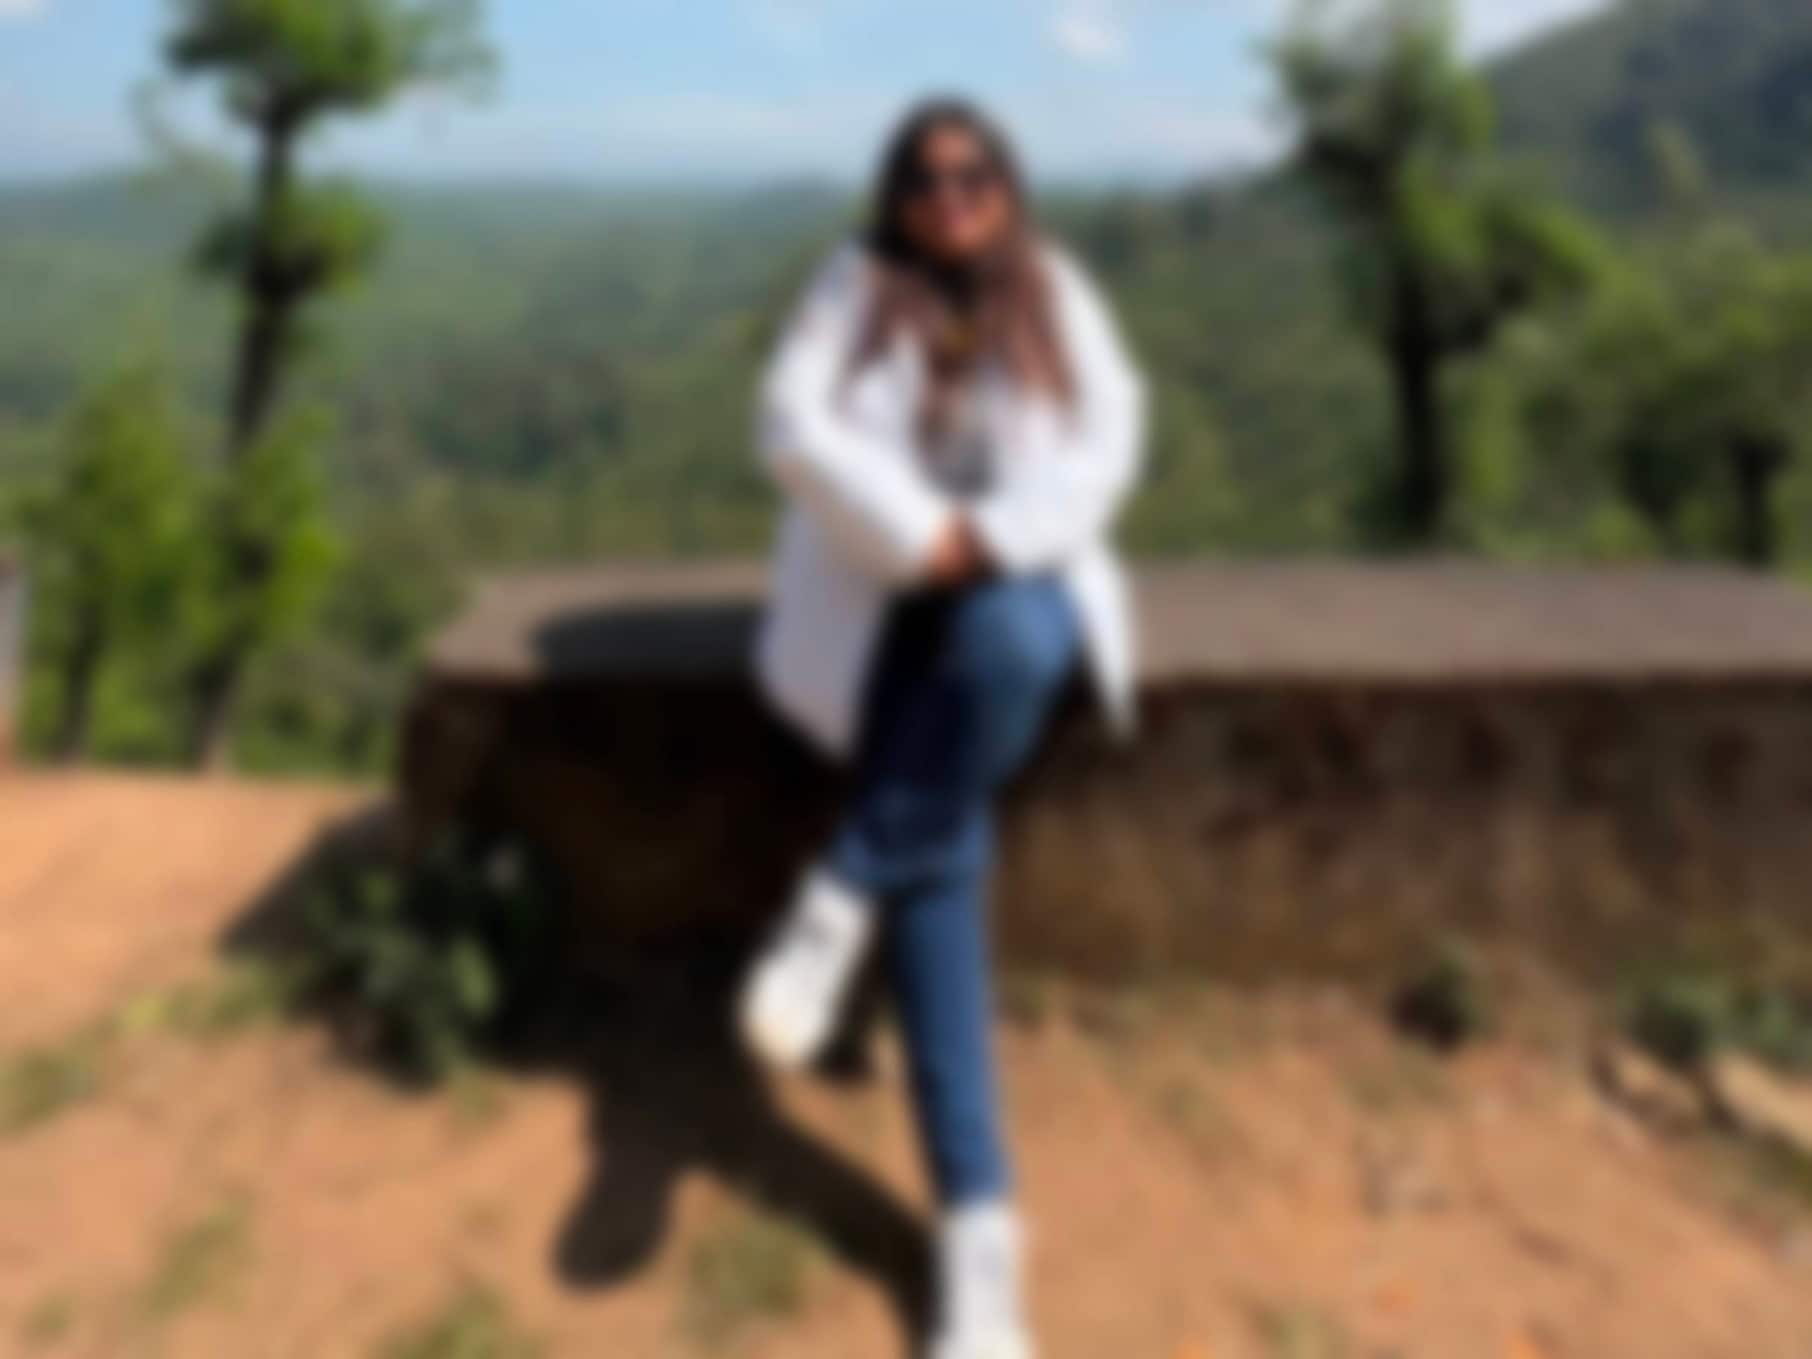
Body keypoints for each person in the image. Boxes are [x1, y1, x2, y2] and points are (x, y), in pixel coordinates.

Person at [740, 97, 1147, 1359]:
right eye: (924, 177)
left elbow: (1114, 431)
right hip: (884, 598)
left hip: (1018, 584)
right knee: (944, 842)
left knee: (1011, 645)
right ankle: (980, 1240)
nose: (950, 196)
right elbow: (787, 422)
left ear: (1006, 184)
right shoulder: (854, 283)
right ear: (895, 193)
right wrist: (925, 540)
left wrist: (995, 540)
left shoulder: (1051, 286)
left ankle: (840, 891)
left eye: (973, 174)